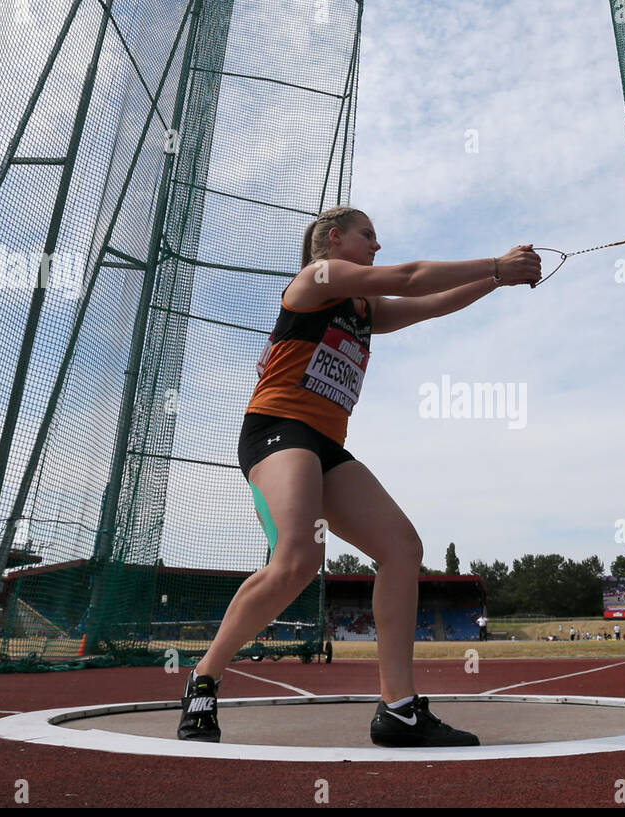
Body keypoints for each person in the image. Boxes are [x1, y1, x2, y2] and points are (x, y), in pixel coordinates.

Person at [176, 206, 540, 746]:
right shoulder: (317, 277)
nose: (377, 245)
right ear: (334, 238)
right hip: (278, 429)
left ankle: (398, 709)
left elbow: (425, 305)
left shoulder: (362, 308)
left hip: (325, 444)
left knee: (401, 547)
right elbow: (409, 277)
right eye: (368, 235)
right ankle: (205, 678)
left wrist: (494, 281)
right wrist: (495, 261)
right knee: (298, 560)